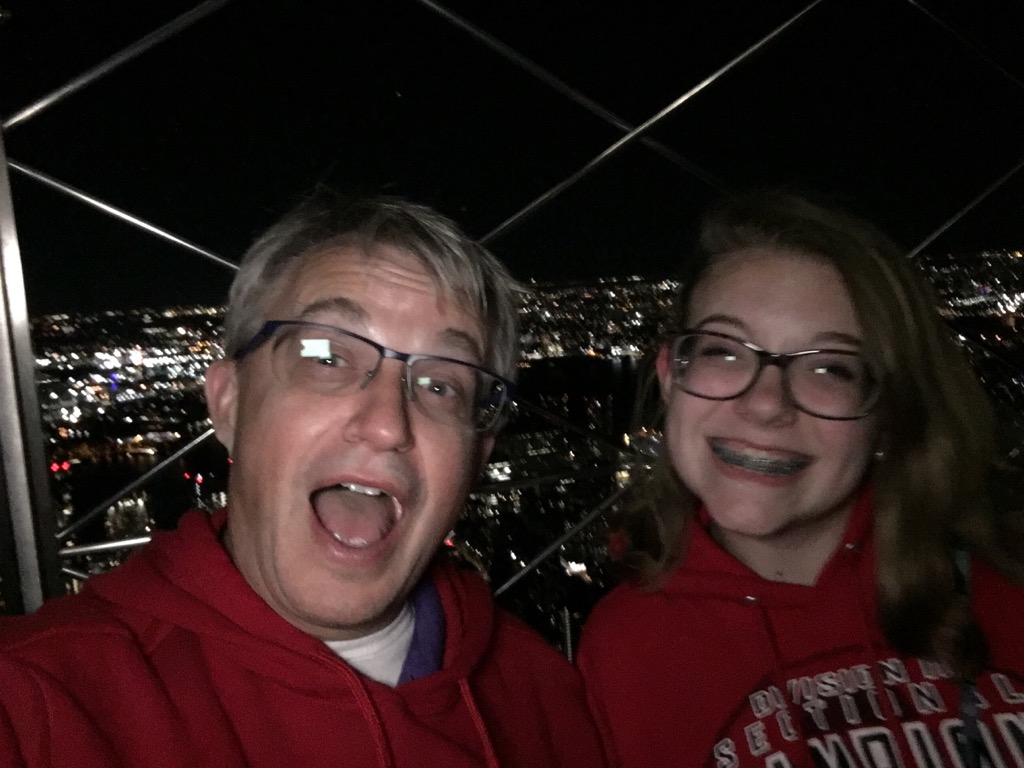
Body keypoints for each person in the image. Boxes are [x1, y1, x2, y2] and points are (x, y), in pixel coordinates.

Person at [0, 193, 608, 768]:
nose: (386, 425)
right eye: (327, 357)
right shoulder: (40, 703)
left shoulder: (544, 697)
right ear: (230, 403)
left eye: (441, 384)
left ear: (478, 457)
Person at [577, 192, 1024, 768]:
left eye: (828, 367)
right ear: (670, 378)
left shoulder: (1007, 580)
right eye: (724, 351)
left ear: (887, 411)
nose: (766, 405)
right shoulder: (623, 653)